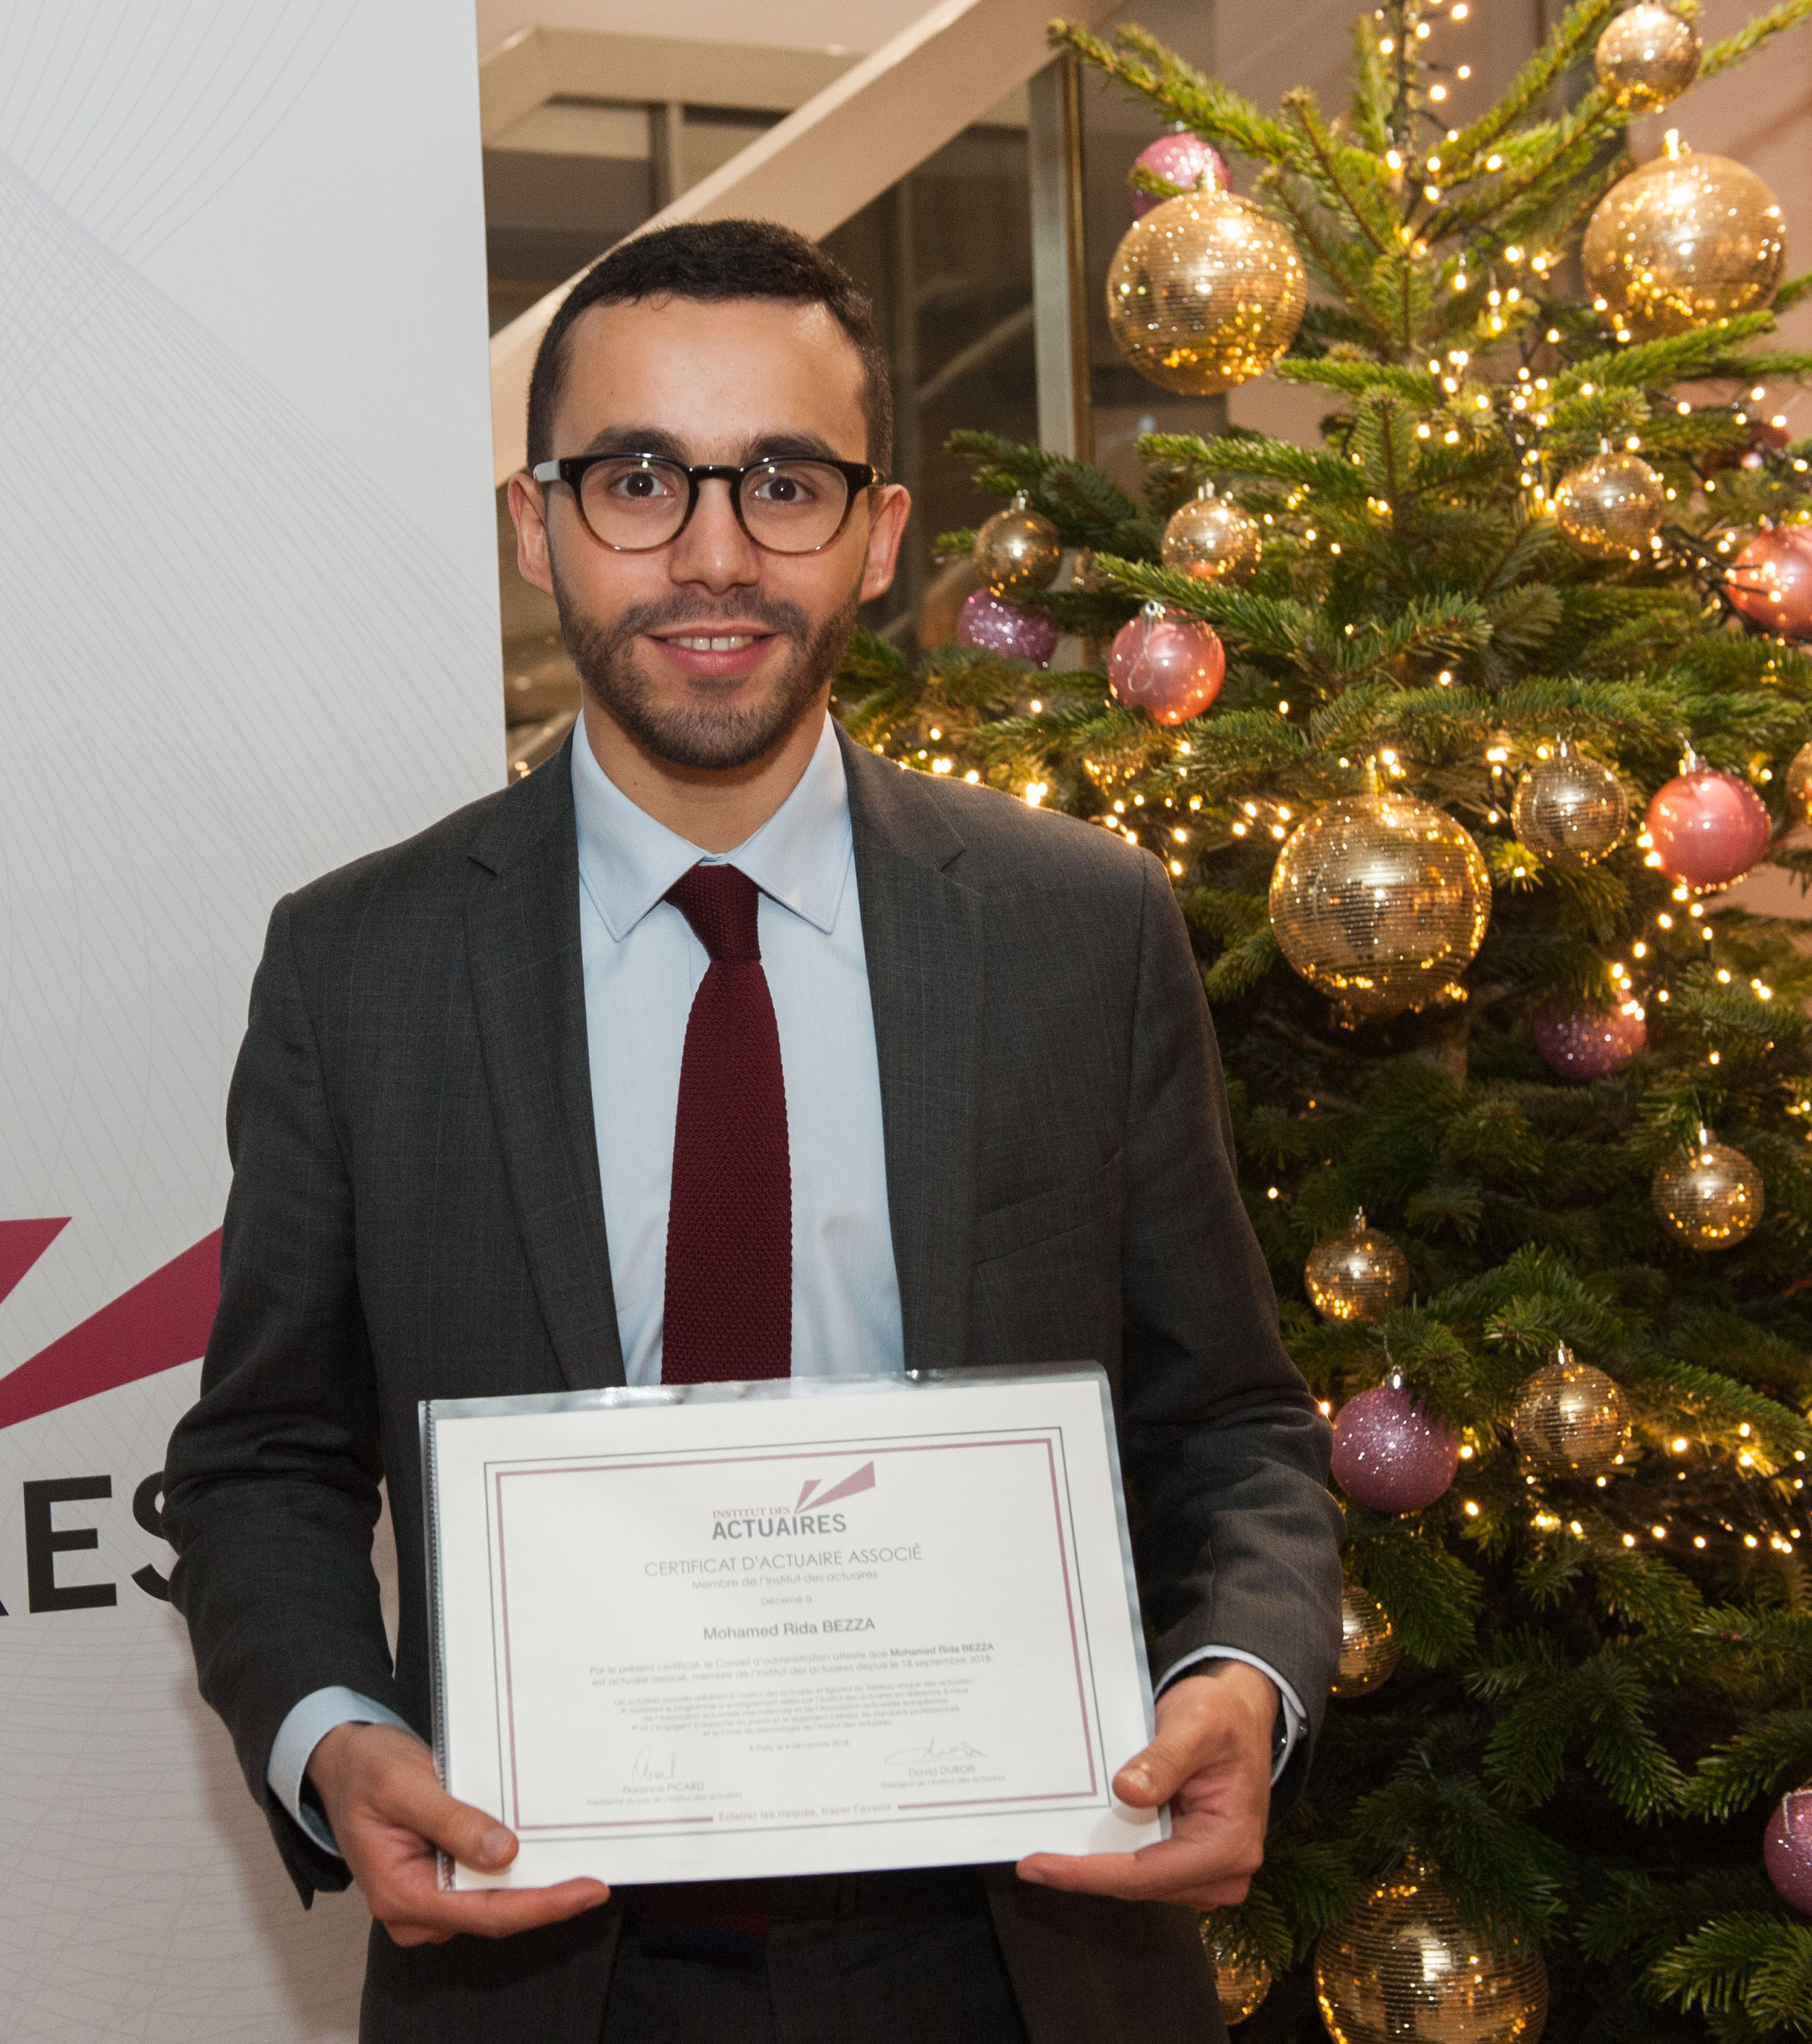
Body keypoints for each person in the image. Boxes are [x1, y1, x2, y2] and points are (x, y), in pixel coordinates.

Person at [164, 219, 1340, 2044]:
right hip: (546, 1967)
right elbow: (262, 1459)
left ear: (878, 533)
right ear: (535, 524)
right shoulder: (356, 966)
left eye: (782, 481)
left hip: (1023, 1954)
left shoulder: (1075, 927)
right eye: (638, 479)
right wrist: (335, 1732)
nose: (713, 555)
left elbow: (1230, 1424)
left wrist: (1239, 1673)